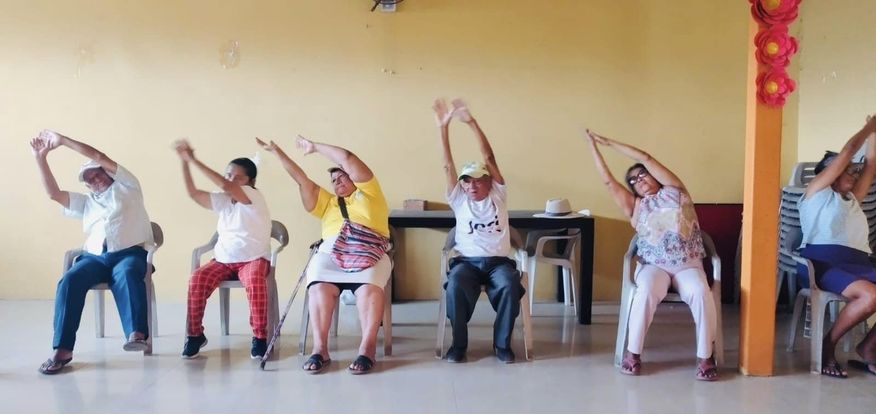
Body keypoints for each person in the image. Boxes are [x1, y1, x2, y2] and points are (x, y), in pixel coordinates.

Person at [585, 129, 718, 381]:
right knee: (645, 290)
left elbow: (645, 157)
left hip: (688, 265)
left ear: (654, 175)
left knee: (701, 291)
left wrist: (610, 142)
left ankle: (706, 357)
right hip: (654, 266)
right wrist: (594, 146)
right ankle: (633, 354)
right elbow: (608, 182)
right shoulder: (636, 205)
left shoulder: (676, 191)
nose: (639, 180)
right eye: (633, 181)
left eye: (642, 174)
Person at [257, 135, 390, 374]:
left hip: (369, 252)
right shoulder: (329, 203)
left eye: (342, 176)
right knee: (318, 283)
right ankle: (320, 349)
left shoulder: (370, 193)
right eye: (333, 180)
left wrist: (314, 147)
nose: (337, 181)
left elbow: (347, 158)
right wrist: (277, 152)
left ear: (354, 178)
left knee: (369, 287)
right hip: (331, 254)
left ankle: (367, 349)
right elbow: (301, 179)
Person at [31, 130, 154, 375]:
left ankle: (137, 335)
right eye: (89, 179)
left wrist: (63, 141)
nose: (95, 179)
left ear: (108, 173)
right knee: (69, 280)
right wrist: (40, 158)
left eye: (98, 174)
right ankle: (62, 350)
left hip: (129, 254)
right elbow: (54, 194)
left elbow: (98, 155)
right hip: (95, 258)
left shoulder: (128, 187)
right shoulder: (87, 202)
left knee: (127, 273)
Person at [433, 98, 524, 364]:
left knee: (509, 284)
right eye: (466, 181)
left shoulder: (498, 195)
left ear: (488, 181)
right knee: (454, 285)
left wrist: (471, 123)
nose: (471, 186)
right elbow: (447, 165)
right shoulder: (459, 199)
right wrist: (443, 128)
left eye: (477, 180)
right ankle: (458, 345)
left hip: (499, 264)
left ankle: (502, 345)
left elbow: (489, 157)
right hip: (466, 263)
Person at [173, 140, 273, 359]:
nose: (230, 180)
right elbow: (193, 193)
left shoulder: (253, 195)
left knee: (255, 281)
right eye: (228, 175)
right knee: (197, 279)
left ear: (250, 182)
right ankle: (195, 335)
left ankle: (260, 337)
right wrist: (185, 163)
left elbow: (227, 186)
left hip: (253, 259)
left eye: (238, 177)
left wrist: (194, 160)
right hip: (223, 260)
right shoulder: (224, 200)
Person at [797, 115, 876, 378]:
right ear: (829, 174)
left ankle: (868, 348)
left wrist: (874, 134)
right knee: (871, 296)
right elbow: (848, 152)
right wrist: (868, 127)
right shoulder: (816, 192)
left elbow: (871, 163)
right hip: (821, 263)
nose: (853, 173)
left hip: (857, 264)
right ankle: (827, 346)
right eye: (846, 169)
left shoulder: (852, 199)